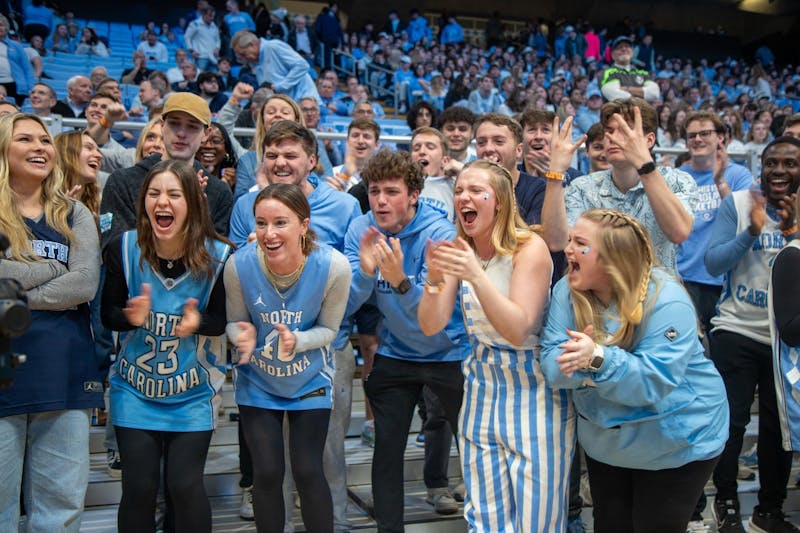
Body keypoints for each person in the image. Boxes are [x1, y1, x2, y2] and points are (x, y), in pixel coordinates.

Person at [539, 207, 729, 532]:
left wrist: (596, 359)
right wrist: (587, 363)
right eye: (570, 239)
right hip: (608, 442)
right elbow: (552, 369)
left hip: (678, 440)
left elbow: (651, 384)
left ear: (614, 258)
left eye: (580, 243)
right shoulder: (566, 291)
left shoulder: (667, 300)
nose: (567, 249)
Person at [417, 159, 573, 531]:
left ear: (499, 201)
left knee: (537, 521)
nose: (463, 198)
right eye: (459, 191)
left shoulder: (528, 247)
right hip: (481, 388)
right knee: (484, 518)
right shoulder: (461, 247)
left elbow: (519, 328)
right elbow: (431, 324)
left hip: (534, 392)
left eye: (474, 190)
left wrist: (473, 275)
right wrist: (435, 280)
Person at [102, 159, 232, 533]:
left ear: (192, 202)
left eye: (174, 194)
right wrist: (130, 317)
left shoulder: (221, 255)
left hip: (192, 393)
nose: (163, 201)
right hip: (134, 390)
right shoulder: (122, 248)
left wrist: (198, 323)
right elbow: (107, 313)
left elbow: (221, 321)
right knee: (139, 488)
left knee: (185, 485)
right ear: (144, 202)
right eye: (154, 193)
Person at [344, 148, 470, 532]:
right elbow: (347, 305)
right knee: (385, 451)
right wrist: (366, 274)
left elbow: (435, 319)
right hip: (397, 351)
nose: (381, 201)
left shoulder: (441, 234)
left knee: (475, 448)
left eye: (392, 192)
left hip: (449, 350)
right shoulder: (361, 229)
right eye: (375, 191)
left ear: (413, 195)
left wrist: (399, 281)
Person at [224, 182, 351, 532]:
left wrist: (297, 341)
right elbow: (234, 322)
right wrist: (241, 335)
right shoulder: (238, 265)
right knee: (266, 472)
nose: (269, 233)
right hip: (258, 381)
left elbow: (329, 330)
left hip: (310, 377)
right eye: (261, 223)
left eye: (280, 222)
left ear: (303, 225)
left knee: (309, 470)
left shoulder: (334, 267)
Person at [0, 113, 102, 532]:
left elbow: (84, 285)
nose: (40, 147)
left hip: (64, 370)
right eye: (25, 139)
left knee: (60, 509)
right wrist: (49, 268)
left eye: (44, 140)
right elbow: (66, 277)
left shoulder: (74, 213)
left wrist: (13, 287)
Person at [705, 136, 800, 533]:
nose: (779, 170)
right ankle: (725, 504)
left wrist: (793, 228)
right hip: (737, 328)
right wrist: (749, 234)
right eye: (772, 163)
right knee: (733, 421)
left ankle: (769, 510)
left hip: (787, 338)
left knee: (780, 428)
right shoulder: (739, 204)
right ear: (761, 165)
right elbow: (712, 263)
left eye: (790, 164)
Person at [544, 97, 697, 276]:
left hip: (656, 296)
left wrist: (644, 166)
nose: (613, 138)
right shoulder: (583, 187)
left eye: (625, 130)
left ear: (649, 140)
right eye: (609, 130)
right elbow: (556, 242)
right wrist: (555, 174)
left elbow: (679, 232)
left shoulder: (677, 180)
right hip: (597, 296)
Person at [99, 92, 233, 249]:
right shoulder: (122, 182)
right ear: (162, 126)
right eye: (175, 123)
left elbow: (215, 257)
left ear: (206, 134)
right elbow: (114, 251)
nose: (182, 133)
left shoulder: (218, 191)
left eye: (192, 126)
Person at [231, 30, 319, 104]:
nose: (243, 58)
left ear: (252, 45)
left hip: (304, 101)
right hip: (286, 105)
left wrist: (280, 86)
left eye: (243, 54)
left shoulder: (273, 47)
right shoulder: (256, 62)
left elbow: (302, 65)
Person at [600, 36, 659, 103]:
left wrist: (626, 89)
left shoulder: (643, 73)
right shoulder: (606, 73)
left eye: (627, 46)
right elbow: (615, 96)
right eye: (619, 47)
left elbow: (654, 94)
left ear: (632, 52)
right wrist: (642, 94)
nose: (624, 49)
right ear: (612, 55)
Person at [0, 14, 37, 106]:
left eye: (2, 25)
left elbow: (27, 68)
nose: (0, 28)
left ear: (7, 28)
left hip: (14, 85)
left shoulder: (16, 46)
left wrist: (31, 88)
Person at [185, 6, 220, 72]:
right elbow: (187, 37)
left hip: (213, 57)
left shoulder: (214, 25)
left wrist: (217, 48)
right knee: (200, 76)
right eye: (210, 16)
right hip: (201, 56)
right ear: (203, 14)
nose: (212, 18)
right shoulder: (195, 24)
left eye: (213, 16)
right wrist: (191, 50)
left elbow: (218, 39)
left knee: (215, 77)